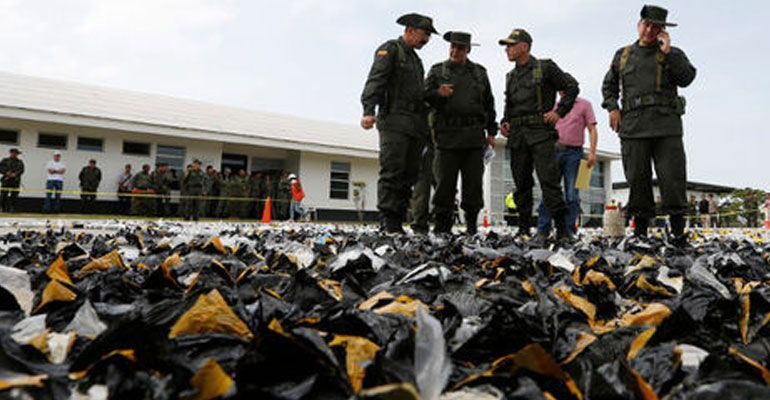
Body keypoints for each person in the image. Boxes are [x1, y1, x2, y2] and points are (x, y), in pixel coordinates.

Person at [601, 5, 696, 243]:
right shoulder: (623, 55)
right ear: (639, 24)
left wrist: (668, 52)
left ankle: (677, 232)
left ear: (663, 30)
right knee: (637, 179)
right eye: (647, 25)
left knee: (672, 178)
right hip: (633, 127)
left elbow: (687, 78)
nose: (649, 30)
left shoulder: (673, 53)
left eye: (656, 27)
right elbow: (609, 86)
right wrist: (613, 108)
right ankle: (640, 233)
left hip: (666, 126)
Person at [498, 28, 579, 243]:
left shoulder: (545, 68)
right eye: (506, 46)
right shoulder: (510, 76)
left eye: (511, 45)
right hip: (518, 136)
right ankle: (523, 229)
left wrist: (559, 112)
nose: (507, 49)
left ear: (524, 46)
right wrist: (504, 122)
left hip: (540, 134)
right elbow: (509, 105)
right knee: (521, 185)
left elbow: (571, 87)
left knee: (549, 182)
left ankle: (562, 230)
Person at [360, 13, 437, 234]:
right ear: (410, 30)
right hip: (394, 120)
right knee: (392, 171)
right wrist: (368, 110)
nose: (427, 39)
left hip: (415, 124)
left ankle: (398, 218)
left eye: (429, 36)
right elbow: (376, 79)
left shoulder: (416, 60)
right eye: (424, 34)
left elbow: (419, 94)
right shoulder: (391, 50)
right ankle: (388, 220)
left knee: (409, 173)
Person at [425, 31, 497, 235]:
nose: (455, 51)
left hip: (473, 137)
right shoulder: (438, 71)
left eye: (460, 48)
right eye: (452, 47)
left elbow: (489, 103)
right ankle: (442, 227)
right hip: (446, 136)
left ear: (468, 50)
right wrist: (438, 93)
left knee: (473, 185)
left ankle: (472, 227)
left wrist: (492, 131)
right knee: (444, 184)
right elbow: (425, 97)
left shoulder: (479, 73)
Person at [535, 89, 598, 238]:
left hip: (574, 154)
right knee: (549, 192)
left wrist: (592, 152)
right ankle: (543, 229)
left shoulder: (584, 105)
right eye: (560, 90)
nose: (561, 92)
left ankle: (568, 232)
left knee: (572, 194)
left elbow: (592, 129)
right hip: (554, 152)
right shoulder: (554, 106)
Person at [0, 148, 24, 213]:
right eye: (13, 153)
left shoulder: (20, 162)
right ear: (10, 153)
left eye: (16, 153)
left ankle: (12, 208)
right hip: (6, 180)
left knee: (14, 195)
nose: (15, 154)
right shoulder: (5, 160)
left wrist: (15, 174)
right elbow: (1, 168)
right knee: (3, 194)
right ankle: (2, 208)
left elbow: (21, 170)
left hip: (15, 180)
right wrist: (6, 172)